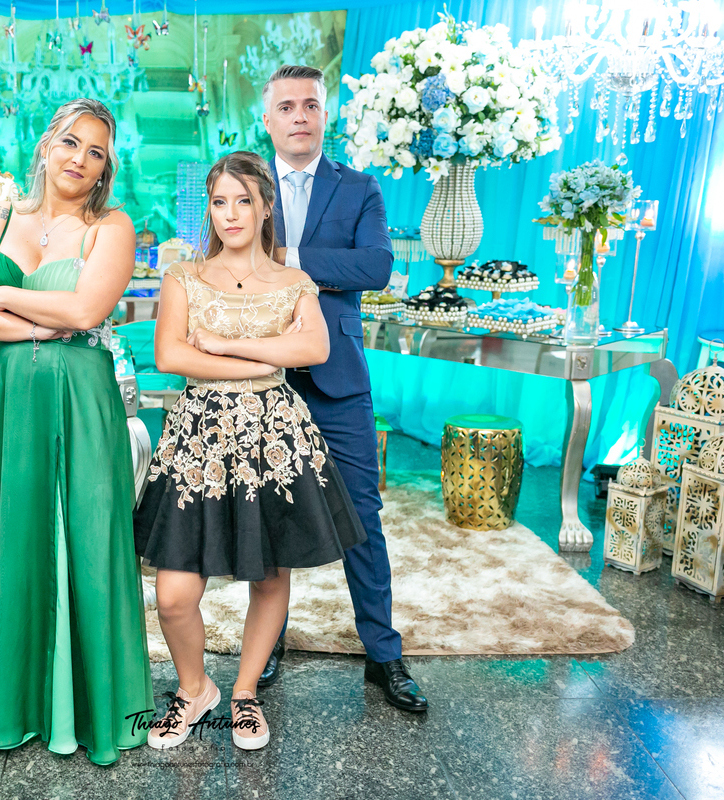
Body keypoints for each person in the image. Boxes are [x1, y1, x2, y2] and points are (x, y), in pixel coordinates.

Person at [0, 98, 153, 766]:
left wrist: (1, 297)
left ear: (106, 168)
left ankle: (87, 709)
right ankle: (12, 703)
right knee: (9, 538)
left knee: (84, 538)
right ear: (45, 147)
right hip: (5, 402)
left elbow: (85, 310)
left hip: (80, 405)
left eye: (96, 152)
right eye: (69, 143)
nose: (80, 159)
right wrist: (35, 324)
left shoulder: (112, 226)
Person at [134, 151, 367, 751]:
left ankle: (243, 693)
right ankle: (195, 689)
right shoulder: (184, 276)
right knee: (173, 595)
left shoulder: (293, 281)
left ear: (266, 208)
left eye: (244, 201)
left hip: (274, 440)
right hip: (199, 441)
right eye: (219, 202)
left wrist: (220, 344)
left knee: (269, 574)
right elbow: (171, 356)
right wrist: (263, 360)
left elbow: (315, 349)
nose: (231, 214)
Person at [259, 64, 428, 712]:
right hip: (262, 376)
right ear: (268, 119)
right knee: (269, 513)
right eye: (287, 106)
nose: (299, 116)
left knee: (361, 514)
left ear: (325, 116)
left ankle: (383, 654)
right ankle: (266, 642)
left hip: (339, 378)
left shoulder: (359, 188)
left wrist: (287, 260)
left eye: (310, 105)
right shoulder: (246, 185)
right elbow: (221, 261)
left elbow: (376, 266)